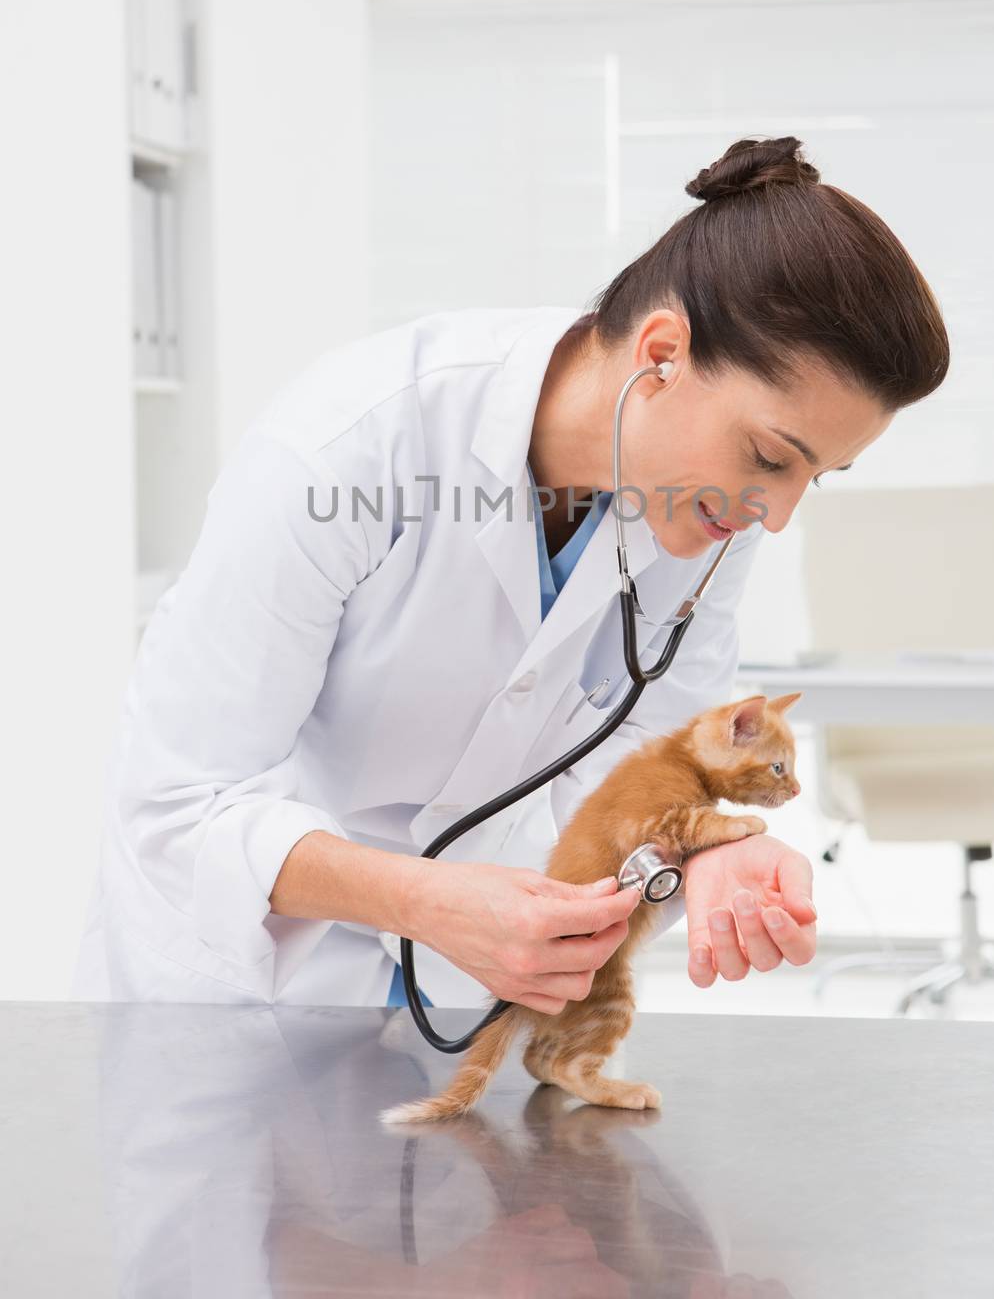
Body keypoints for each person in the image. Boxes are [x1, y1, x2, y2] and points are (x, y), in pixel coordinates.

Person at [71, 136, 949, 1011]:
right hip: (236, 993)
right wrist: (423, 902)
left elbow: (650, 774)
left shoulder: (708, 512)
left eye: (812, 475)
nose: (778, 510)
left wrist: (709, 853)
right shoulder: (350, 446)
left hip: (463, 995)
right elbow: (178, 807)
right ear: (660, 353)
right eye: (768, 456)